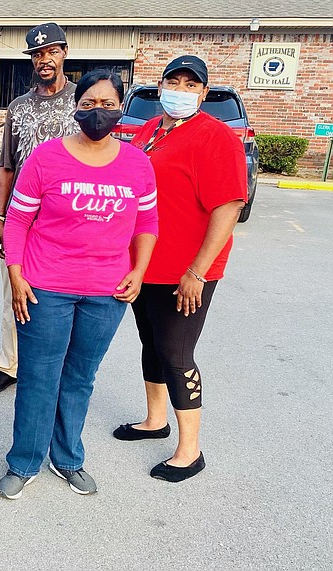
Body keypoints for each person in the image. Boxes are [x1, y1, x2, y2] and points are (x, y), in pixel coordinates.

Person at [0, 70, 158, 500]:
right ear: (76, 106)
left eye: (107, 103)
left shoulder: (138, 163)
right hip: (44, 286)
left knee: (80, 377)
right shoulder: (46, 158)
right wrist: (15, 274)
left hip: (107, 293)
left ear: (120, 107)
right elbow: (17, 219)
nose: (97, 112)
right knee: (38, 376)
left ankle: (66, 457)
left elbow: (147, 223)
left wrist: (139, 271)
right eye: (89, 103)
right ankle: (25, 460)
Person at [114, 55, 247, 482]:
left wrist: (198, 271)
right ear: (161, 84)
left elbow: (229, 205)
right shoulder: (152, 129)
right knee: (150, 343)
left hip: (186, 271)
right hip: (146, 263)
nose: (182, 90)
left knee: (176, 353)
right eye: (175, 81)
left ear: (204, 93)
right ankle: (155, 420)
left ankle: (191, 450)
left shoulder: (216, 137)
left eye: (192, 85)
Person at [0, 22, 79, 395]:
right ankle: (10, 364)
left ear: (64, 52)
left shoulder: (81, 101)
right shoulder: (19, 108)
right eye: (37, 54)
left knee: (64, 295)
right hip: (24, 218)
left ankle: (59, 368)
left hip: (70, 218)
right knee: (13, 291)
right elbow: (5, 167)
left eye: (50, 52)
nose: (44, 60)